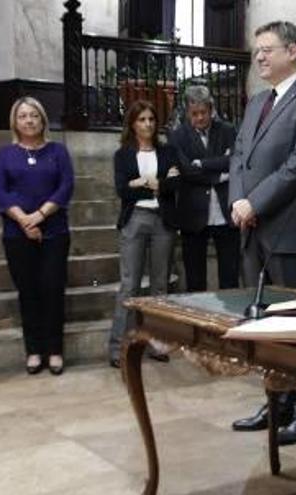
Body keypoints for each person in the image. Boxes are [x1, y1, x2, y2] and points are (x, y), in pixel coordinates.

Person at [228, 20, 296, 446]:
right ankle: (278, 402)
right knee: (266, 327)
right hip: (252, 228)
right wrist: (239, 201)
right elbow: (238, 154)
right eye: (257, 50)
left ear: (292, 51)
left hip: (291, 229)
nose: (259, 57)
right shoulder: (257, 102)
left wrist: (254, 202)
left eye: (267, 49)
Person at [0, 97, 74, 375]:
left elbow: (65, 187)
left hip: (54, 231)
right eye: (23, 116)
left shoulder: (58, 151)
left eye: (34, 116)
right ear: (15, 122)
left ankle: (55, 351)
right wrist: (25, 221)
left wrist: (39, 216)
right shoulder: (5, 154)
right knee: (28, 292)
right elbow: (1, 191)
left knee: (52, 290)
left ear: (42, 120)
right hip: (16, 233)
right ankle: (34, 350)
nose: (29, 121)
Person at [108, 100, 181, 368]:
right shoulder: (123, 154)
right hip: (135, 219)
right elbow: (123, 190)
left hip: (163, 220)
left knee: (160, 283)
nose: (148, 124)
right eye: (142, 120)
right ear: (132, 124)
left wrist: (148, 183)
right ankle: (119, 348)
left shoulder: (168, 151)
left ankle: (157, 343)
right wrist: (157, 184)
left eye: (151, 119)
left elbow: (176, 184)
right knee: (130, 285)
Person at [168, 85, 240, 292]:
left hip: (226, 214)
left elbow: (235, 162)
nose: (199, 118)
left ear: (211, 109)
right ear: (187, 112)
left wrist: (203, 163)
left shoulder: (227, 130)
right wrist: (221, 173)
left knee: (230, 278)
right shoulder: (177, 136)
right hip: (193, 215)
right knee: (195, 280)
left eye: (204, 113)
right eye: (194, 114)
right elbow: (187, 171)